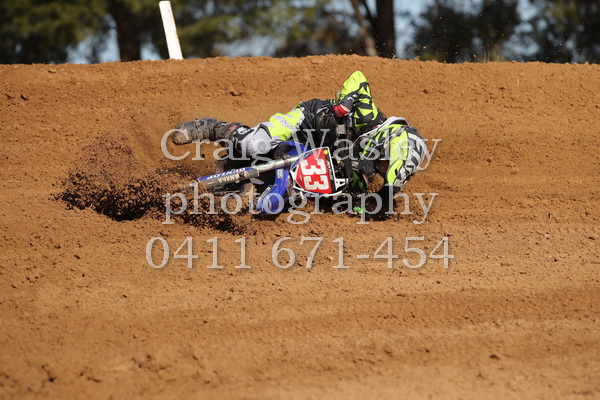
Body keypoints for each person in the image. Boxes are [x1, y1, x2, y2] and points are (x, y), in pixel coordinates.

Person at [171, 71, 425, 217]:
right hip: (307, 120)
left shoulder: (367, 169)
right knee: (254, 145)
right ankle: (211, 127)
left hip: (315, 152)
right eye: (384, 162)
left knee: (303, 194)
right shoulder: (368, 116)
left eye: (384, 168)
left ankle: (248, 191)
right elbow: (358, 78)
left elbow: (377, 197)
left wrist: (370, 204)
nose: (380, 168)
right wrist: (346, 102)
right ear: (386, 142)